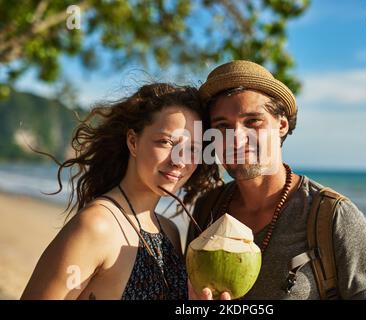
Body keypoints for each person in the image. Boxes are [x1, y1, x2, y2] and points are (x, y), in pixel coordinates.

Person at [186, 60, 366, 300]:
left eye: (253, 121)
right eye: (222, 126)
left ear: (281, 124)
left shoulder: (332, 215)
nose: (236, 138)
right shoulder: (207, 209)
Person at [21, 82, 222, 300]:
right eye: (166, 142)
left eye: (192, 149)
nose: (179, 160)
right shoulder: (97, 226)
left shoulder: (170, 232)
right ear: (133, 142)